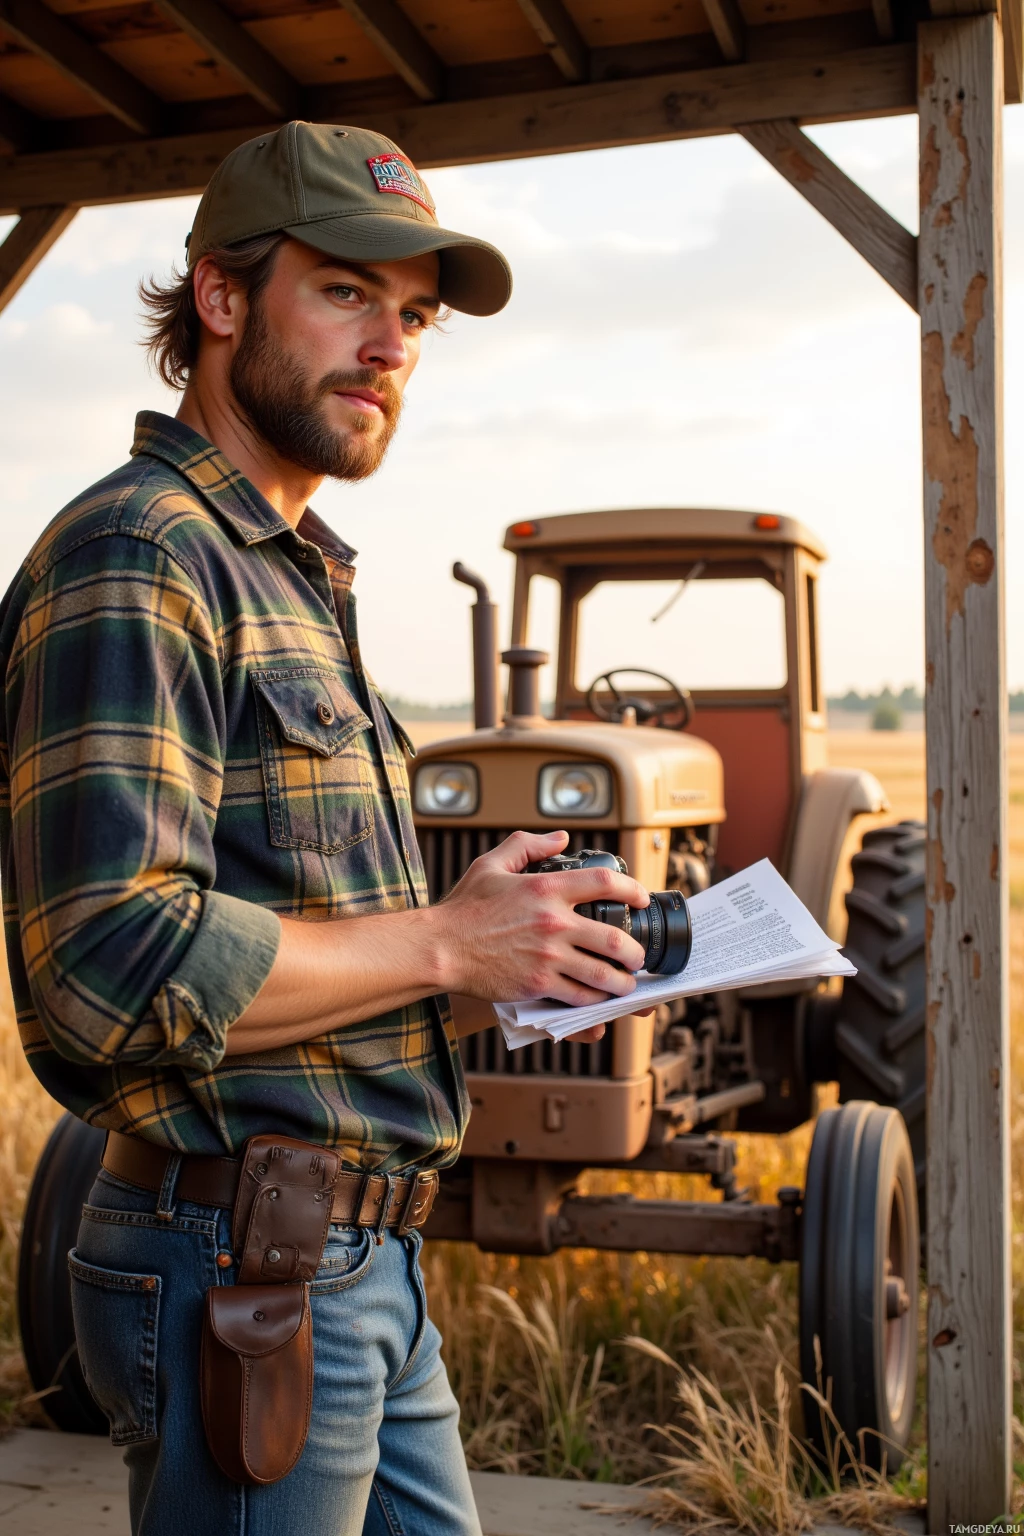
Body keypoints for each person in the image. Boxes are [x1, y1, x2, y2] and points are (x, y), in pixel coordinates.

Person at [0, 122, 651, 1536]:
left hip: (359, 1266)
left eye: (413, 313)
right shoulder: (142, 555)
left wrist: (500, 955)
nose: (392, 343)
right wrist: (438, 938)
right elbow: (111, 966)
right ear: (220, 300)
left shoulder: (293, 581)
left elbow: (322, 950)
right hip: (240, 1259)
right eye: (347, 291)